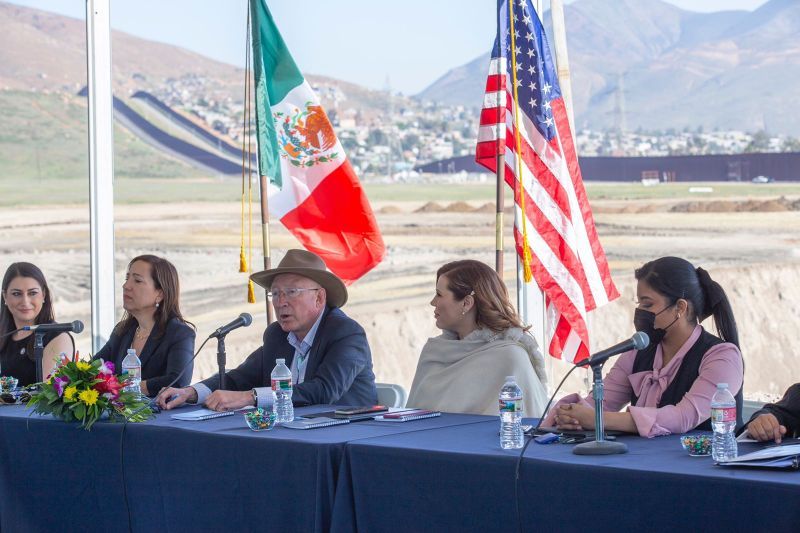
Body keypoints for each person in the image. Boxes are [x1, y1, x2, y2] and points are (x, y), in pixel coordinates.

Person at [542, 256, 743, 437]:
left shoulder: (722, 356)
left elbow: (683, 417)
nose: (640, 312)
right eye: (639, 304)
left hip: (705, 463)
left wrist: (597, 420)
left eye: (647, 305)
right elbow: (601, 403)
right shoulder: (638, 350)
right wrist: (571, 414)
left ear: (680, 308)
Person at [158, 249, 376, 412]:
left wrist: (250, 397)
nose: (281, 302)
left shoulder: (346, 333)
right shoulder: (277, 334)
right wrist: (191, 392)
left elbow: (324, 391)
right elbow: (239, 378)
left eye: (291, 292)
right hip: (292, 433)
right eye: (276, 294)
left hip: (348, 436)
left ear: (319, 297)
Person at [407, 260, 548, 416]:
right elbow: (411, 419)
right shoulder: (434, 352)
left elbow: (524, 423)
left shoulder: (510, 359)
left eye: (439, 295)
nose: (433, 302)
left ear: (466, 303)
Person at [94, 255, 195, 397]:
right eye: (127, 279)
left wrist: (126, 387)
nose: (126, 286)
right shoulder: (122, 330)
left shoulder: (179, 333)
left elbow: (178, 382)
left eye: (137, 280)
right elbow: (93, 368)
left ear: (160, 294)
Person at [0, 262, 73, 385]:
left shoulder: (58, 337)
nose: (25, 301)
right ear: (5, 297)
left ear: (43, 294)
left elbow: (49, 393)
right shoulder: (3, 335)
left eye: (32, 293)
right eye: (16, 294)